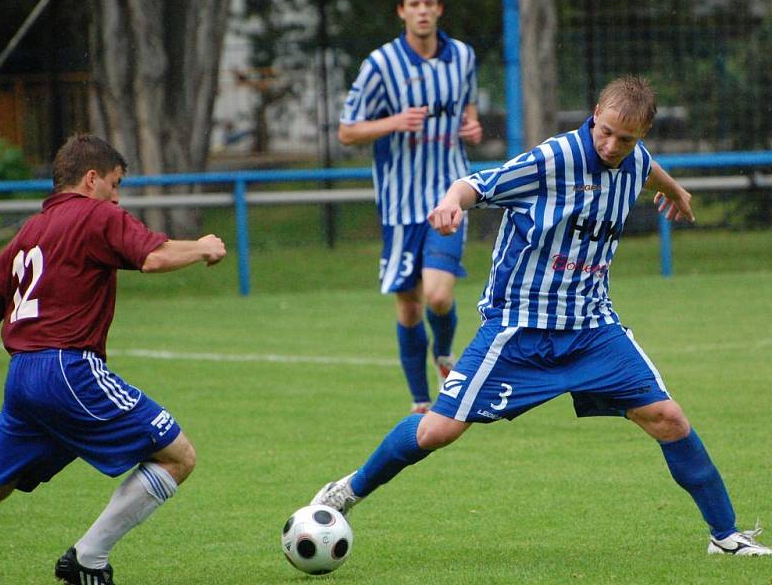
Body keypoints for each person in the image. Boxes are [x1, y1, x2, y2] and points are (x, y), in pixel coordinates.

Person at [311, 75, 771, 556]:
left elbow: (647, 167)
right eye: (605, 131)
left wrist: (675, 190)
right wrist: (451, 203)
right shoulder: (554, 159)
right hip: (519, 329)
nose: (612, 145)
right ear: (595, 114)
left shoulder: (633, 159)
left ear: (641, 136)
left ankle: (726, 537)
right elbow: (475, 184)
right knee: (436, 431)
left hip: (592, 328)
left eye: (626, 138)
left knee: (669, 418)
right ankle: (347, 490)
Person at [0, 134, 227, 584]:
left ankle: (87, 560)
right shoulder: (95, 214)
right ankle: (88, 559)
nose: (118, 196)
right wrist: (204, 245)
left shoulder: (26, 235)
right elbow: (152, 255)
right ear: (92, 179)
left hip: (22, 378)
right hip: (67, 370)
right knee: (178, 455)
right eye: (116, 183)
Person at [338, 0, 483, 413]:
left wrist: (472, 126)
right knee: (408, 306)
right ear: (402, 11)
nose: (422, 11)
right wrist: (395, 121)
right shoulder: (381, 64)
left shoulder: (463, 57)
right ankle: (421, 401)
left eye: (428, 3)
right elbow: (347, 131)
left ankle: (443, 351)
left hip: (449, 193)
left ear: (439, 9)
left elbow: (468, 108)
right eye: (413, 4)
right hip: (400, 205)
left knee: (438, 295)